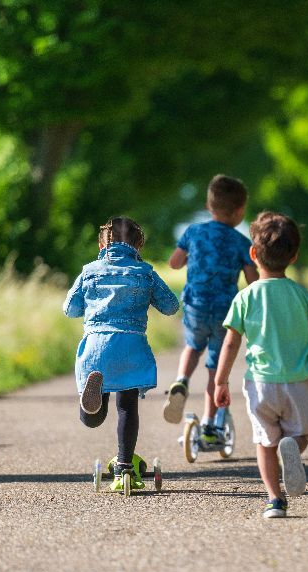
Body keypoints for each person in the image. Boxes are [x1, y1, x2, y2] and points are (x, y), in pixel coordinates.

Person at [214, 212, 308, 519]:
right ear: (294, 256)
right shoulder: (301, 294)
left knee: (264, 443)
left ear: (253, 254)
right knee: (301, 433)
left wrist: (220, 381)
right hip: (298, 381)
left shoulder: (245, 297)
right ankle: (293, 446)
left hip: (260, 383)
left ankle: (274, 500)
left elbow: (230, 343)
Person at [64, 216, 180, 492]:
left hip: (96, 346)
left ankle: (89, 405)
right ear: (138, 245)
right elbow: (171, 306)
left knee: (94, 417)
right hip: (130, 346)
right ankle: (125, 468)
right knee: (127, 406)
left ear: (102, 244)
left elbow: (70, 308)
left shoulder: (89, 271)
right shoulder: (145, 272)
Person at [163, 175, 259, 442]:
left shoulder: (193, 232)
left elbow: (174, 263)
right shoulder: (241, 243)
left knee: (192, 347)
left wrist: (191, 258)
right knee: (216, 368)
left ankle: (181, 380)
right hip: (225, 312)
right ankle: (208, 426)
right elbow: (253, 282)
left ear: (209, 205)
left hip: (195, 304)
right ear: (240, 212)